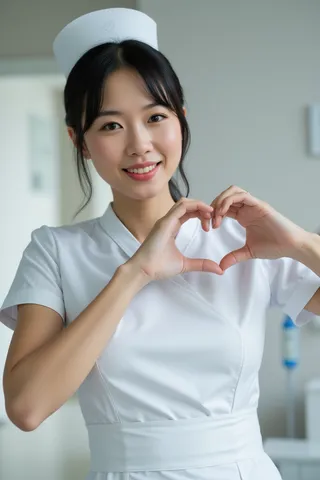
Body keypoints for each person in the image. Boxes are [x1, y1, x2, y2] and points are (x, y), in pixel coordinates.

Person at [1, 7, 320, 480]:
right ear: (79, 140)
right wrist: (135, 273)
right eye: (110, 125)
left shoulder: (240, 238)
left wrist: (299, 242)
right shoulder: (54, 252)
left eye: (155, 117)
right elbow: (27, 408)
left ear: (181, 120)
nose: (140, 144)